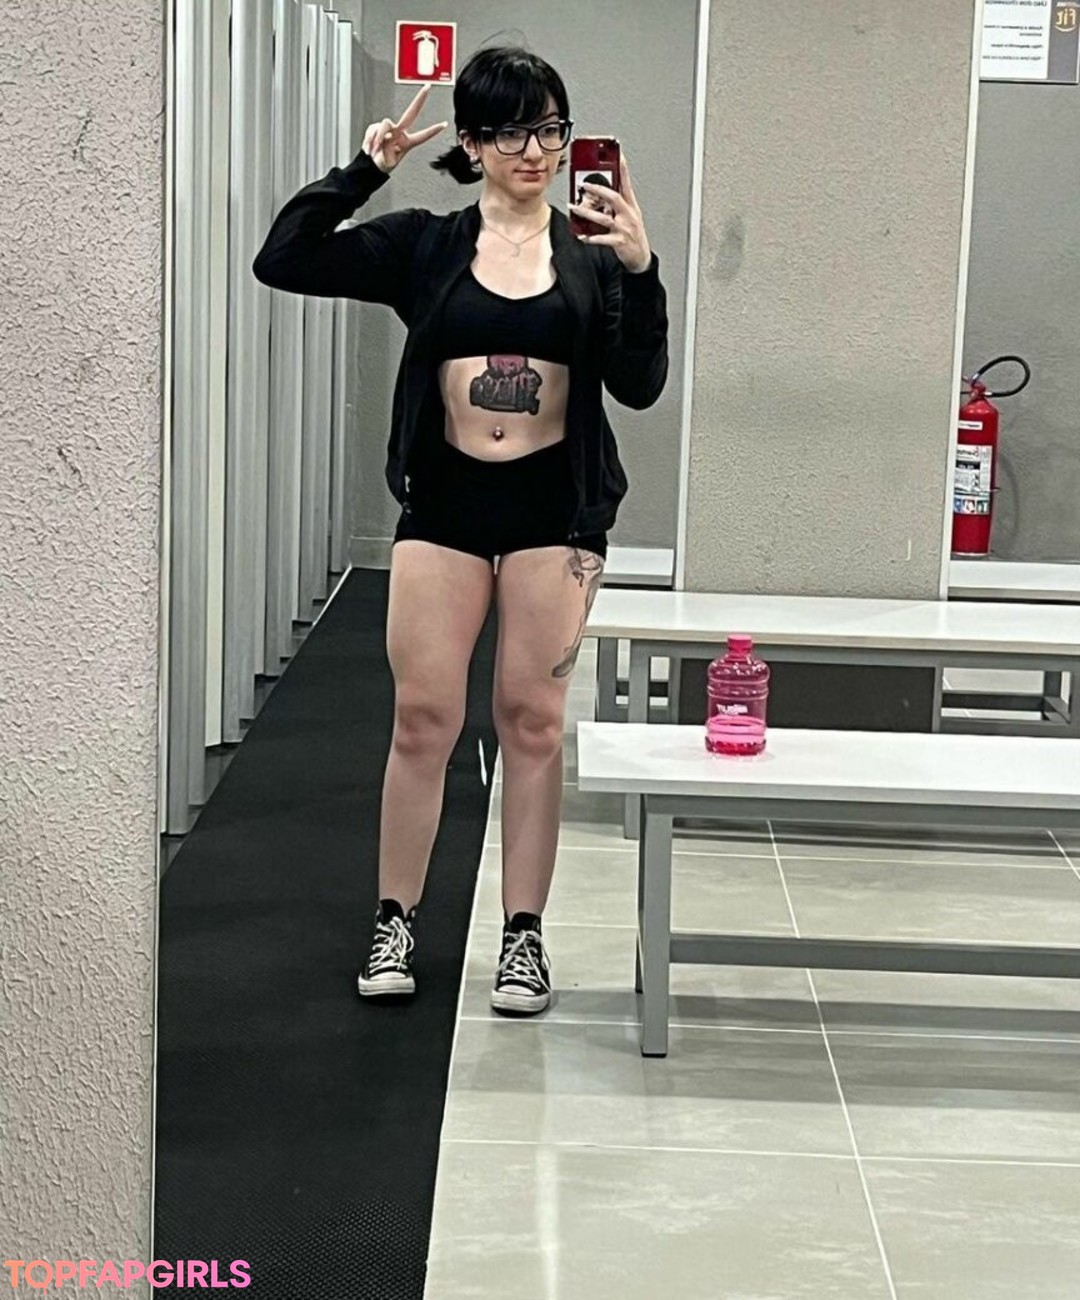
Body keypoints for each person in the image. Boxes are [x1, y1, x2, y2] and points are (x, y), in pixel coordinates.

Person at [252, 45, 668, 1017]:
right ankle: (395, 917)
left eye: (552, 129)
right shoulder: (427, 245)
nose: (538, 151)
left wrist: (641, 270)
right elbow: (285, 257)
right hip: (445, 508)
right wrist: (364, 170)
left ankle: (522, 936)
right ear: (473, 143)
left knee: (533, 722)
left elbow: (639, 384)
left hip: (555, 514)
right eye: (514, 131)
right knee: (424, 720)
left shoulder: (592, 252)